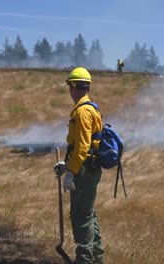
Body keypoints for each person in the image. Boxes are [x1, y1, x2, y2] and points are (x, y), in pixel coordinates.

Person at [53, 67, 104, 264]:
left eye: (70, 86)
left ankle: (85, 260)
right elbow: (83, 147)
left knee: (81, 216)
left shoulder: (82, 112)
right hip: (88, 168)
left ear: (73, 87)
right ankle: (96, 258)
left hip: (84, 171)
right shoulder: (91, 108)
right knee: (88, 214)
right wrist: (66, 164)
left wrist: (71, 173)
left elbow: (82, 147)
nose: (70, 91)